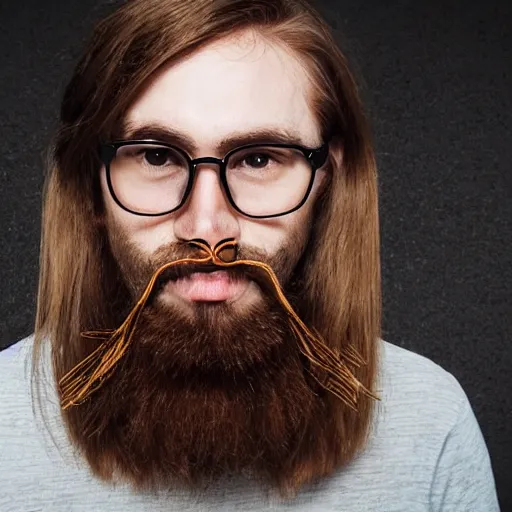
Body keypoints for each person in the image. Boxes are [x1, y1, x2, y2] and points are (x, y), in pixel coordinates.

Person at [0, 0, 500, 510]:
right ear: (90, 186)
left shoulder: (431, 425)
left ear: (327, 177)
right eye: (156, 156)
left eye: (259, 158)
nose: (207, 226)